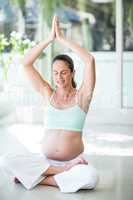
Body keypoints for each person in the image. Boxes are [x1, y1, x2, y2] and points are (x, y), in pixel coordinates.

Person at [1, 16, 99, 193]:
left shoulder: (83, 97)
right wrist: (49, 39)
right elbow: (26, 63)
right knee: (6, 160)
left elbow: (89, 60)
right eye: (55, 73)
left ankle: (38, 179)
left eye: (63, 73)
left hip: (74, 161)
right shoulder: (48, 94)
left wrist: (62, 38)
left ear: (72, 73)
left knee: (91, 177)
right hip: (45, 162)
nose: (59, 78)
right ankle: (59, 173)